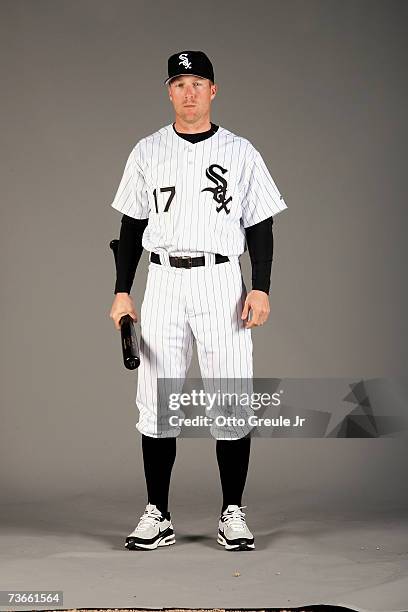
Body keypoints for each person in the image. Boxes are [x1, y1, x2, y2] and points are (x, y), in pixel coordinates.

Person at [109, 50, 287, 552]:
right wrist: (123, 290)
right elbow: (130, 227)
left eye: (198, 82)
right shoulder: (147, 151)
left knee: (230, 398)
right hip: (163, 280)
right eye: (179, 82)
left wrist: (261, 286)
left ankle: (232, 512)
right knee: (157, 398)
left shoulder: (241, 151)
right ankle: (157, 514)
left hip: (220, 281)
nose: (189, 92)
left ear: (213, 91)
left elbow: (260, 225)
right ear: (169, 91)